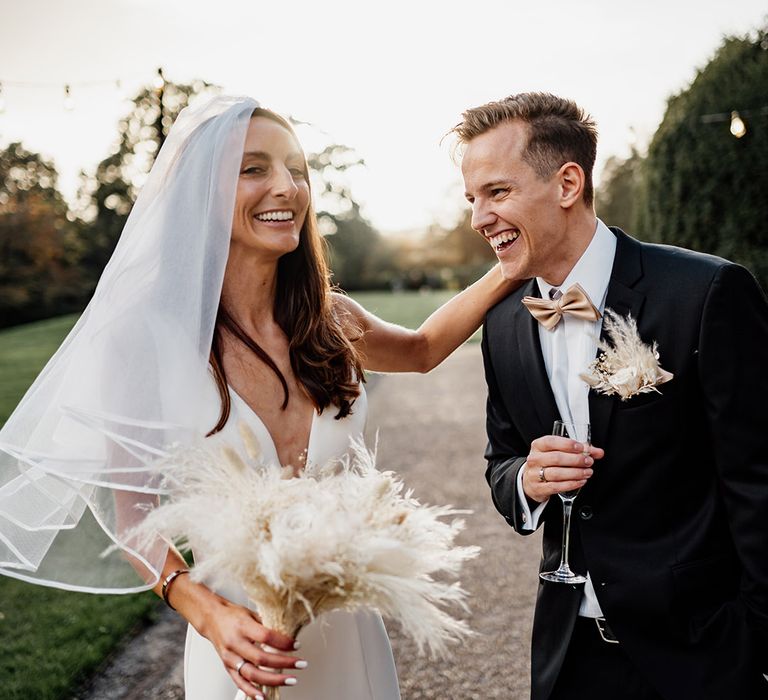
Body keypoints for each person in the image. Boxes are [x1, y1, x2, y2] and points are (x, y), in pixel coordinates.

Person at [0, 96, 516, 700]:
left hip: (350, 638)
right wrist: (210, 617)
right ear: (200, 197)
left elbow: (423, 349)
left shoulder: (329, 318)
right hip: (238, 648)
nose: (286, 187)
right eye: (253, 169)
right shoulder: (146, 342)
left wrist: (513, 261)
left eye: (296, 169)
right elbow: (134, 522)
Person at [453, 92, 768, 700]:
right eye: (472, 199)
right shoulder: (504, 322)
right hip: (567, 657)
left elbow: (758, 481)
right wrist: (526, 480)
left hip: (702, 653)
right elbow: (501, 460)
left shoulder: (705, 293)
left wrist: (755, 643)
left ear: (567, 183)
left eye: (496, 192)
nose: (478, 219)